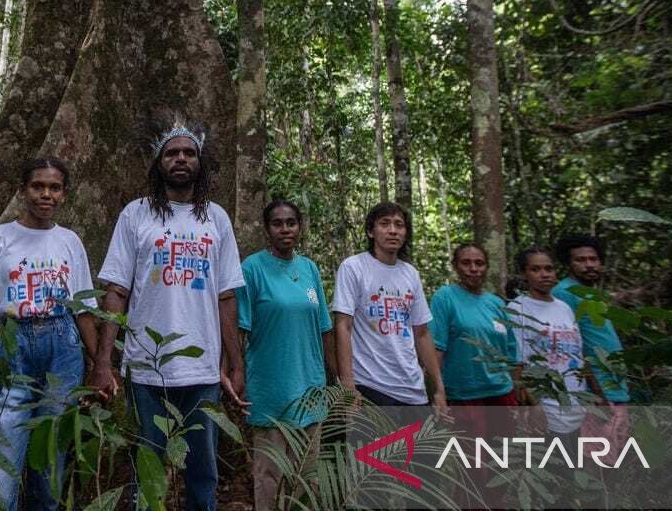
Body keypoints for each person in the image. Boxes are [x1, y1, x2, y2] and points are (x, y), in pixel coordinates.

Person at [91, 120, 245, 511]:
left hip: (203, 367)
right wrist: (104, 362)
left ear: (200, 162)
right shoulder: (136, 215)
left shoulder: (217, 218)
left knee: (203, 469)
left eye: (188, 152)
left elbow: (226, 295)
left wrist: (234, 364)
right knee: (149, 464)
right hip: (147, 366)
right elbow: (116, 292)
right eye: (172, 152)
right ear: (159, 162)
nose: (180, 159)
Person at [0, 157, 99, 511]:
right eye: (37, 186)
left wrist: (100, 365)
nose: (45, 194)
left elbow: (82, 308)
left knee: (50, 461)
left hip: (62, 347)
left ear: (64, 194)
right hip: (10, 344)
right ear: (22, 191)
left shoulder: (69, 241)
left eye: (54, 188)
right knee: (4, 461)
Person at [236, 199, 334, 511]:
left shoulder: (309, 269)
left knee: (308, 479)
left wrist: (338, 380)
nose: (285, 229)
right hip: (270, 391)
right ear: (267, 229)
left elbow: (324, 328)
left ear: (300, 226)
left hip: (311, 390)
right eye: (277, 223)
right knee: (269, 476)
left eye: (291, 222)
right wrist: (234, 375)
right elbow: (240, 329)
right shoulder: (252, 269)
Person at [332, 202, 446, 412]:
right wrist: (348, 384)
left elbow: (421, 333)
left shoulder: (410, 273)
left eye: (399, 225)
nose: (393, 230)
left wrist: (438, 389)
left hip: (413, 390)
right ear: (370, 231)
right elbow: (342, 326)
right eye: (384, 224)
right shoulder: (353, 267)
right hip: (370, 386)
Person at [506, 247, 598, 448]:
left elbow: (579, 355)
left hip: (576, 407)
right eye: (535, 269)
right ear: (525, 274)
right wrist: (532, 406)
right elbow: (518, 365)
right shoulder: (518, 308)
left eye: (549, 268)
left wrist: (595, 397)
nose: (544, 274)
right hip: (546, 409)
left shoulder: (564, 308)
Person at [429, 245, 520, 421]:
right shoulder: (445, 297)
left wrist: (517, 397)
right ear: (455, 266)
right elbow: (437, 350)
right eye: (466, 263)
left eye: (479, 263)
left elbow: (510, 353)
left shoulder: (497, 303)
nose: (473, 269)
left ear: (487, 267)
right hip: (463, 396)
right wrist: (438, 392)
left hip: (502, 393)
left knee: (505, 448)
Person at [552, 233, 630, 403]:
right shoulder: (564, 292)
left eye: (593, 259)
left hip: (614, 385)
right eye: (580, 260)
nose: (589, 265)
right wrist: (596, 393)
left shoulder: (592, 293)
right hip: (594, 391)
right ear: (568, 263)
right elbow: (569, 346)